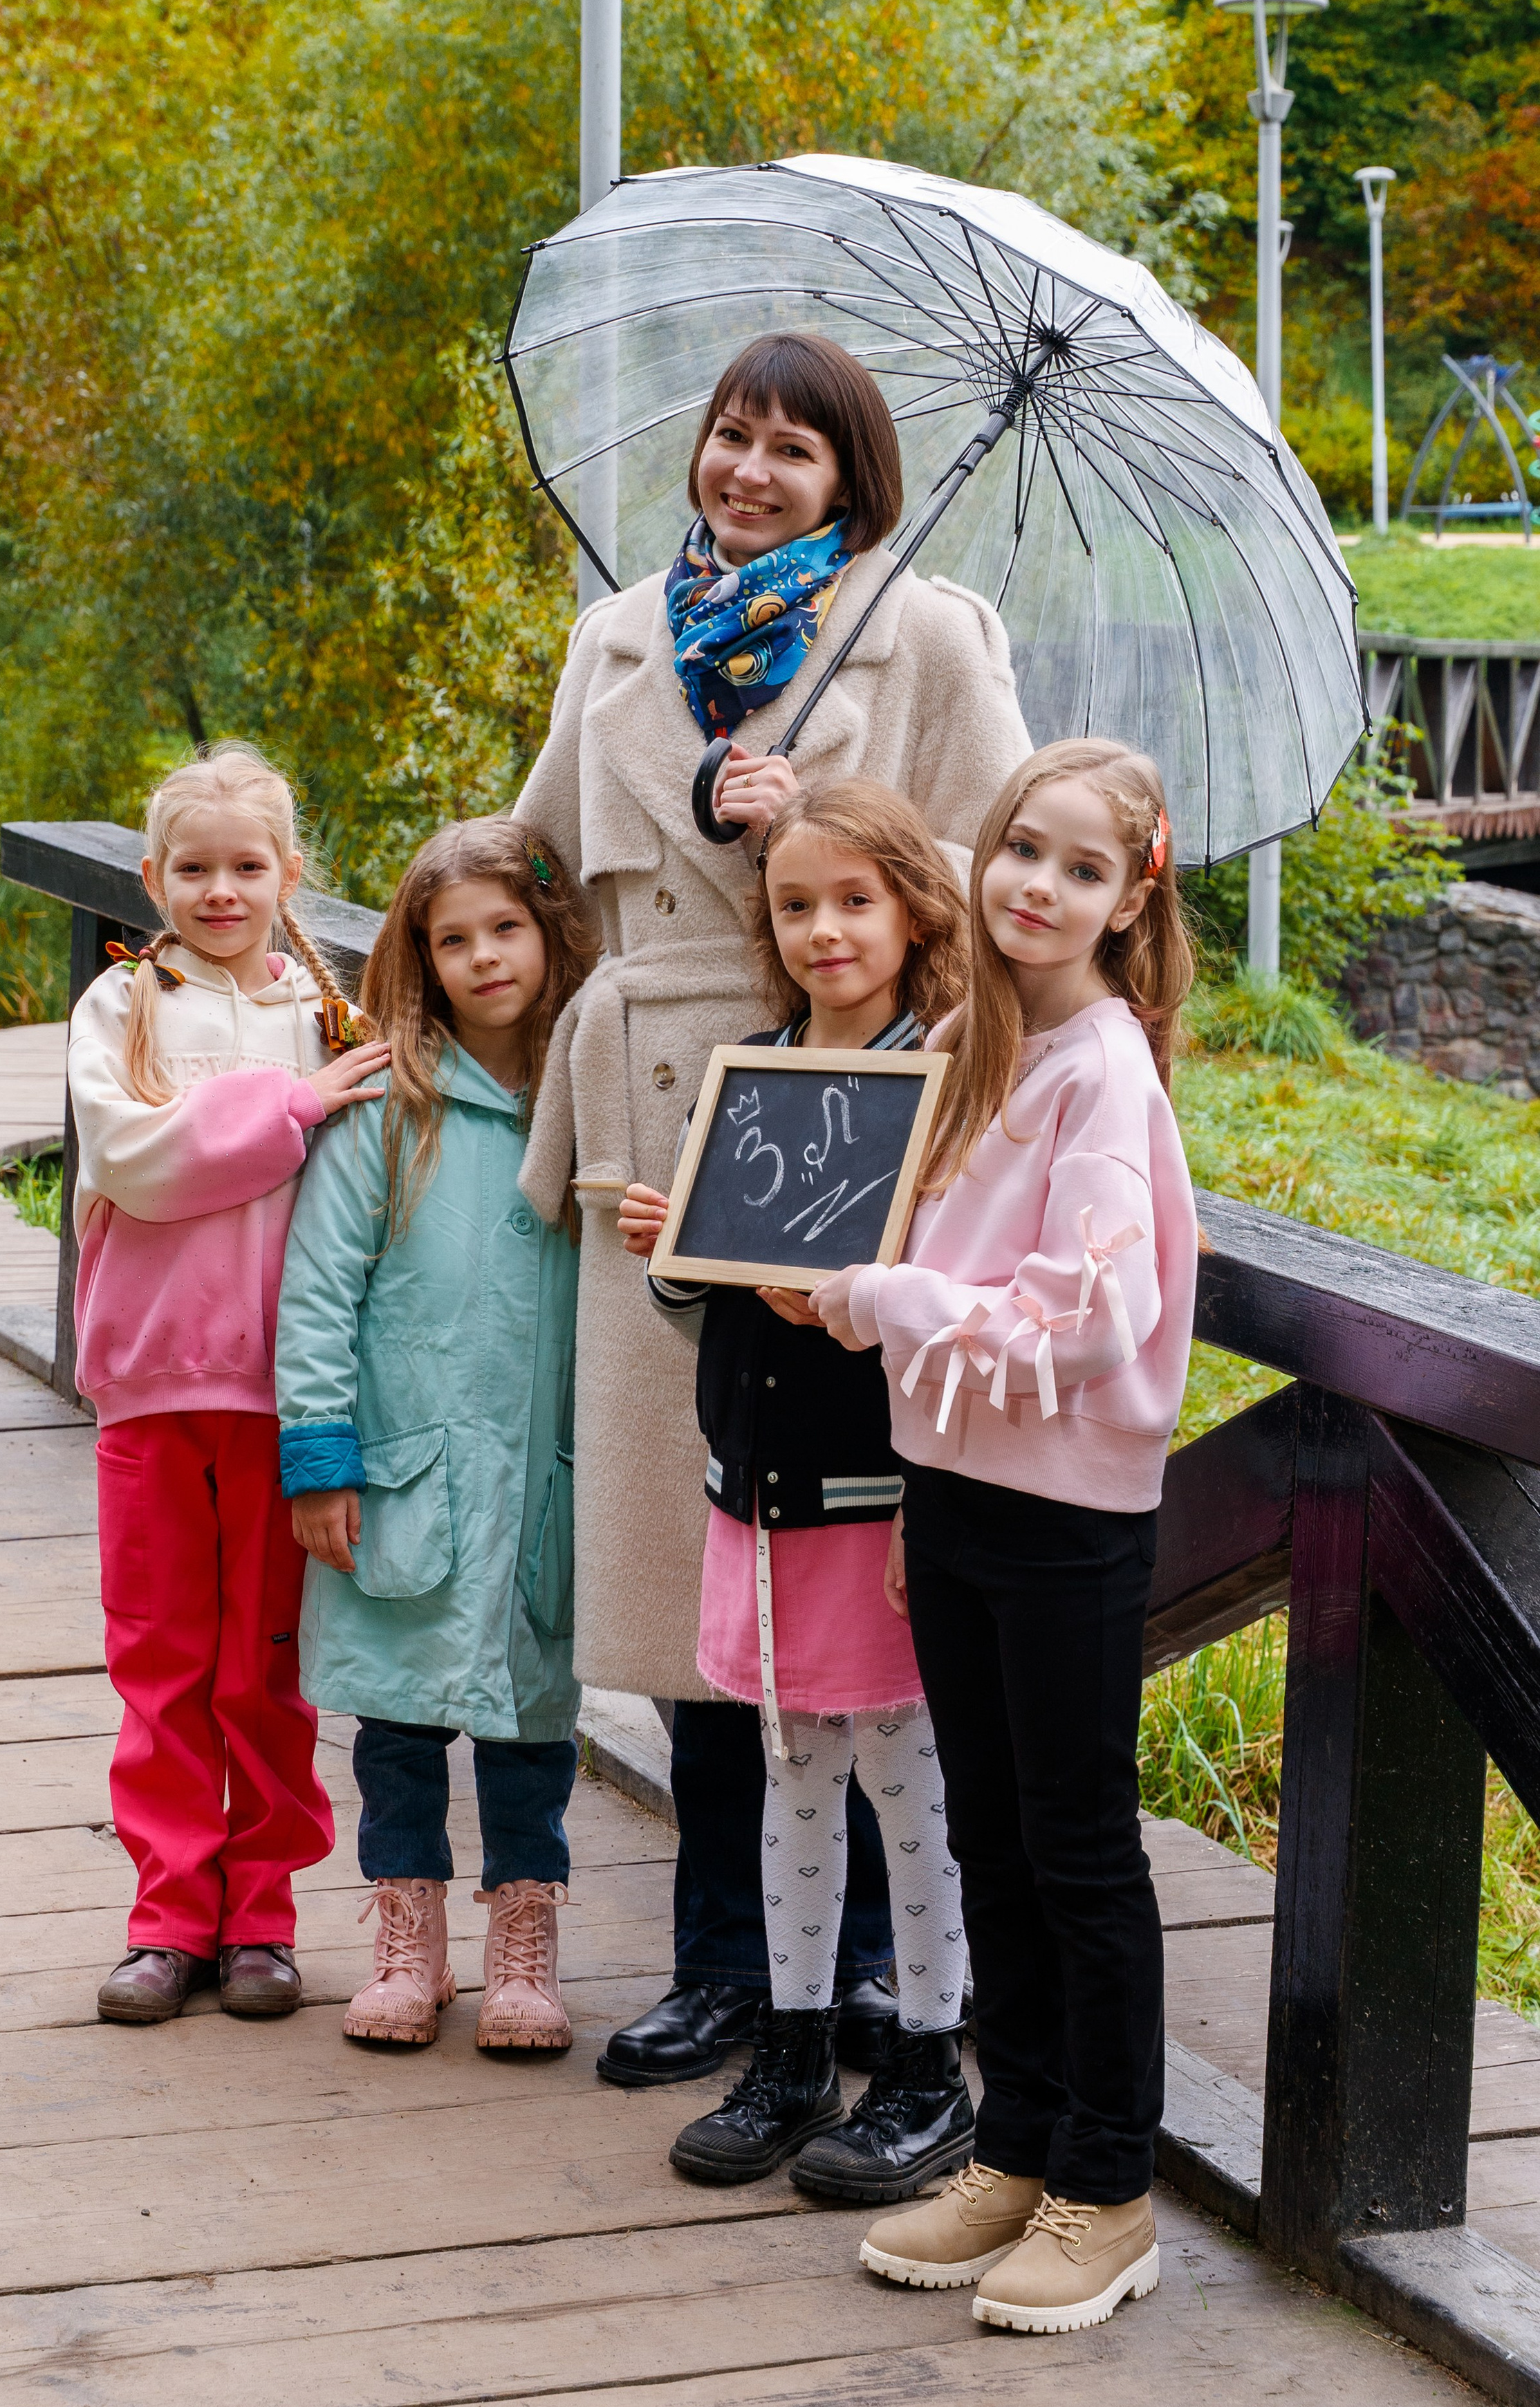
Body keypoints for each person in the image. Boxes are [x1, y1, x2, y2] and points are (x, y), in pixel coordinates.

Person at [515, 330, 1034, 2087]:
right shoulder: (617, 631)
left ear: (850, 477)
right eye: (730, 438)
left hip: (841, 1121)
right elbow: (529, 873)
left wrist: (822, 821)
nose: (748, 472)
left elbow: (1013, 885)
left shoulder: (927, 632)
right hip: (648, 1125)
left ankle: (882, 1984)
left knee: (837, 1576)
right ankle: (727, 1973)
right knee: (696, 1589)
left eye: (791, 452)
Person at [808, 738, 1198, 2334]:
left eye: (1079, 868)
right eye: (1018, 850)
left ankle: (1108, 2190)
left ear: (1127, 897)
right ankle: (1018, 2140)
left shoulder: (1103, 1071)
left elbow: (1101, 1318)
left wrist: (883, 1303)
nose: (1036, 884)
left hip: (1066, 1514)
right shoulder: (974, 1039)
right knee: (984, 1834)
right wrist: (916, 1485)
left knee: (1076, 1850)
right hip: (962, 1494)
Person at [619, 782, 976, 2200]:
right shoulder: (753, 1065)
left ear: (909, 913)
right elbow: (701, 1302)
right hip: (750, 1491)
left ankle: (927, 2063)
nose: (822, 929)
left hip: (868, 1496)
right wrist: (674, 1250)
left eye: (851, 900)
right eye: (794, 906)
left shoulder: (934, 1085)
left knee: (906, 1786)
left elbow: (938, 1297)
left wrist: (837, 1301)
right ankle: (791, 2049)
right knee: (789, 1778)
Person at [72, 739, 393, 2027]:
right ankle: (166, 1917)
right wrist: (289, 1107)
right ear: (153, 876)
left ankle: (260, 1911)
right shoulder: (122, 1009)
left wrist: (311, 1091)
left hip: (280, 1391)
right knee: (158, 1660)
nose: (220, 890)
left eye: (246, 866)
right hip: (152, 1383)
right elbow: (135, 1160)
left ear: (288, 874)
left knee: (266, 1665)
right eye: (193, 868)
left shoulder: (329, 1017)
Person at [275, 820, 598, 2054]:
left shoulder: (590, 1098)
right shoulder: (391, 1107)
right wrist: (321, 1458)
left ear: (550, 933)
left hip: (540, 1479)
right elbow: (317, 1291)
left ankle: (525, 1937)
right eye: (452, 939)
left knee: (531, 1726)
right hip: (412, 1467)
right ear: (422, 957)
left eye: (505, 928)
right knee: (399, 1728)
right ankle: (408, 1935)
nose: (483, 958)